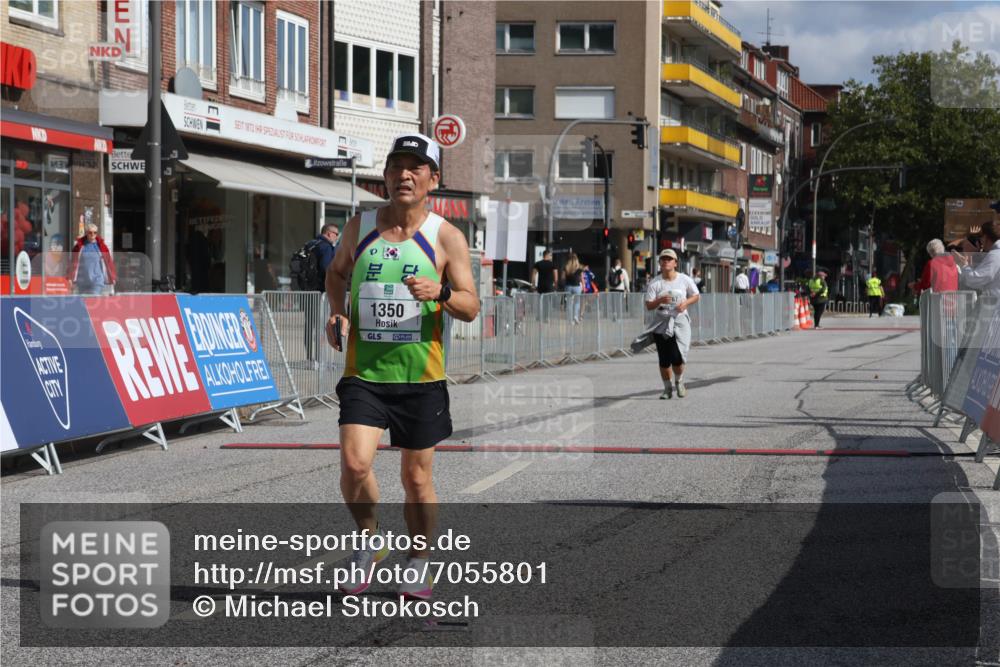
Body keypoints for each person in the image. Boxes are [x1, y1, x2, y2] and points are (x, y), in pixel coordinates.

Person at [325, 133, 479, 600]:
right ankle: (369, 542)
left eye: (415, 168)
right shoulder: (360, 226)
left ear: (433, 179)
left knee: (416, 479)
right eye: (396, 167)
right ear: (385, 175)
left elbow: (472, 306)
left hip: (420, 378)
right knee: (354, 464)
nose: (403, 176)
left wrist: (443, 293)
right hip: (365, 375)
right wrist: (338, 310)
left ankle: (418, 560)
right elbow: (336, 273)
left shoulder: (446, 236)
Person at [644, 249, 700, 399]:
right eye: (663, 259)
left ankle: (679, 381)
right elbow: (649, 305)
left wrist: (685, 304)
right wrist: (660, 301)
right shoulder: (655, 283)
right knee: (664, 359)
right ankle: (667, 389)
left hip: (680, 321)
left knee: (677, 356)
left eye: (669, 259)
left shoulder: (684, 279)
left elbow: (696, 295)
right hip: (661, 321)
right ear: (660, 263)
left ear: (675, 263)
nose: (666, 261)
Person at [305, 223, 340, 361]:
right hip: (321, 293)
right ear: (329, 233)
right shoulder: (326, 247)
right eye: (336, 234)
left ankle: (309, 358)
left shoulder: (310, 244)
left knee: (309, 325)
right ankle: (321, 360)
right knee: (322, 325)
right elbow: (327, 269)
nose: (337, 237)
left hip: (307, 291)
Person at [954, 214, 1000, 299]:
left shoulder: (995, 255)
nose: (980, 241)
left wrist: (964, 264)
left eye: (981, 237)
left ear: (986, 237)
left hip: (995, 308)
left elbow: (975, 280)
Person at [68, 223, 116, 295]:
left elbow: (109, 262)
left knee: (93, 300)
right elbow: (73, 262)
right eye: (90, 232)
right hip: (82, 281)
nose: (93, 234)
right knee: (83, 303)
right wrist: (70, 277)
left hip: (97, 280)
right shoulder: (79, 246)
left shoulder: (101, 246)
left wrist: (112, 277)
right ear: (86, 233)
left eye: (95, 232)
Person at [563, 253, 583, 323]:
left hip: (568, 286)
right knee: (577, 302)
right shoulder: (579, 268)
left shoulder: (566, 267)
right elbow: (581, 279)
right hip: (577, 287)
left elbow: (563, 278)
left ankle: (570, 319)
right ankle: (575, 316)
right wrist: (583, 286)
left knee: (569, 303)